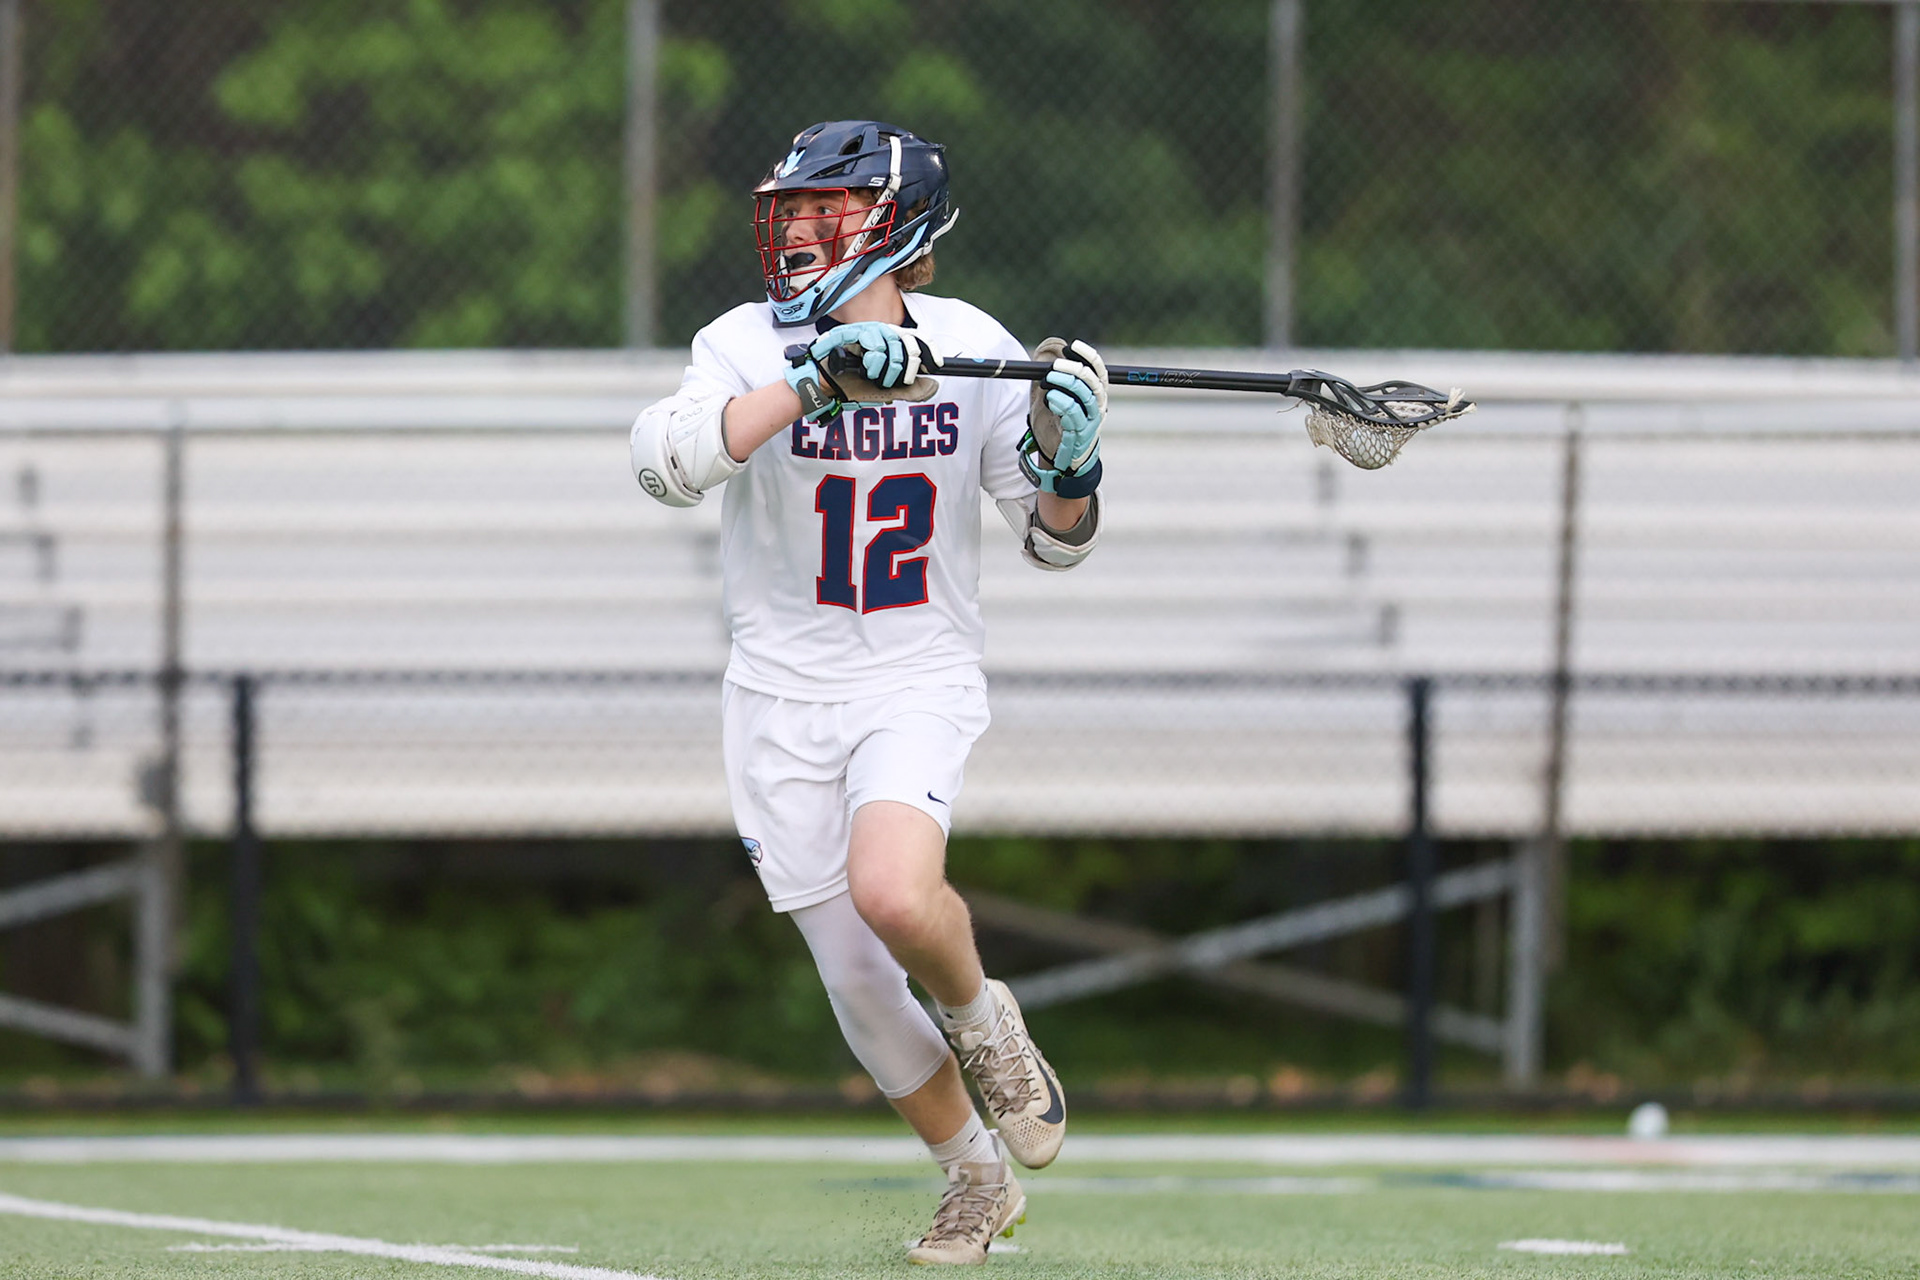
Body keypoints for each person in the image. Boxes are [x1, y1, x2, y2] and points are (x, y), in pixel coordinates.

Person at [630, 119, 1106, 1265]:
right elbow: (664, 461)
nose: (797, 231)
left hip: (914, 672)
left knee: (896, 894)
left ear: (898, 227)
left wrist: (1074, 464)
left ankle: (987, 1019)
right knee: (850, 970)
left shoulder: (973, 345)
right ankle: (973, 1179)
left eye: (825, 211)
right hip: (781, 692)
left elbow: (1054, 545)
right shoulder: (745, 343)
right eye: (790, 212)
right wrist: (812, 382)